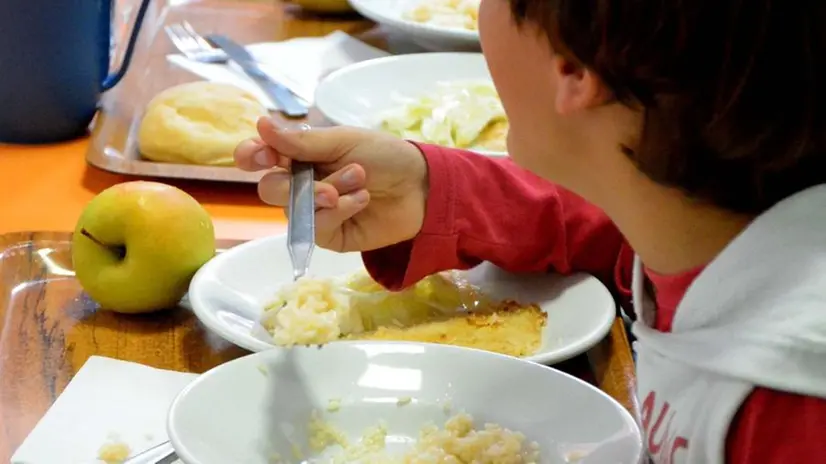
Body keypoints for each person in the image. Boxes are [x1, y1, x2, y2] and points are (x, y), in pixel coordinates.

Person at [235, 0, 826, 462]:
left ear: (572, 71)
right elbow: (610, 233)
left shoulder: (794, 409)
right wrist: (430, 190)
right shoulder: (711, 220)